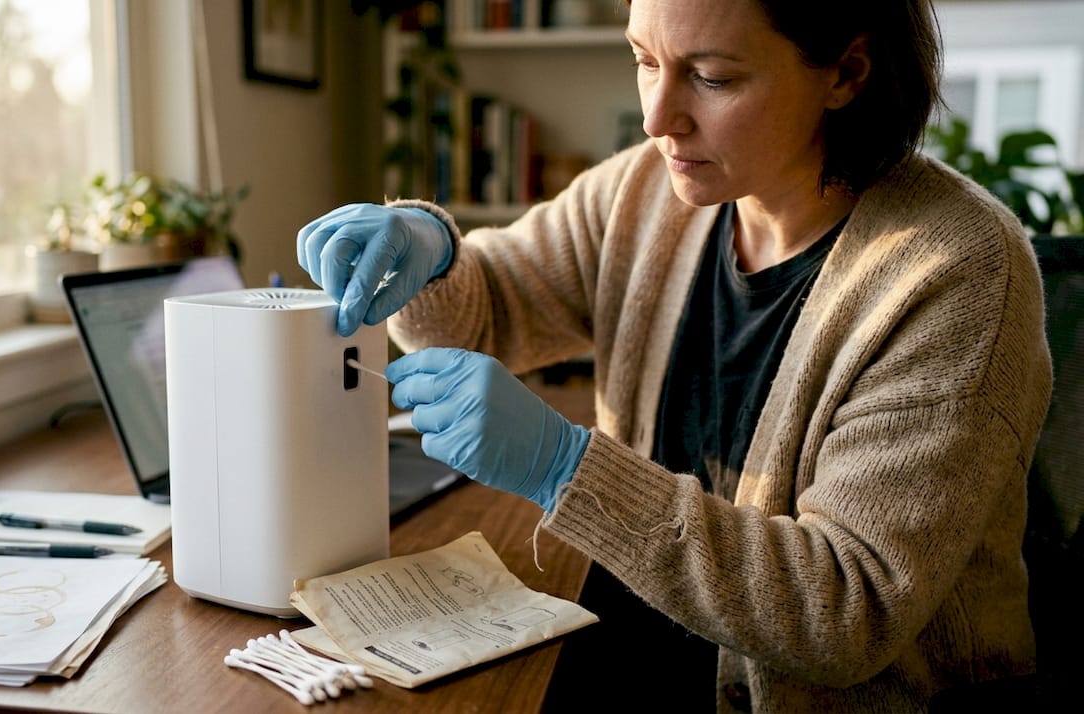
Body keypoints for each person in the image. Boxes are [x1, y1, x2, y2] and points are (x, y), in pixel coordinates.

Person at [297, 0, 1052, 711]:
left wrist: (565, 467)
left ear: (847, 73)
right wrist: (431, 253)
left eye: (712, 77)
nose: (658, 119)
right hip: (637, 652)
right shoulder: (644, 191)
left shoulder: (958, 270)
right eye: (645, 60)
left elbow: (844, 612)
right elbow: (487, 306)